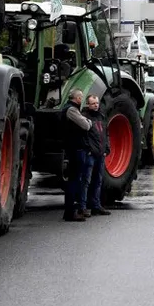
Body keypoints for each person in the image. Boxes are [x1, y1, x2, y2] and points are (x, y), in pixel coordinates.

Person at [61, 89, 93, 222]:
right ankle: (70, 212)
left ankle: (74, 209)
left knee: (75, 180)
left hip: (74, 148)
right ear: (78, 98)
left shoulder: (71, 109)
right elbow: (86, 125)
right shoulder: (71, 110)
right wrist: (89, 122)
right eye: (81, 97)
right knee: (74, 180)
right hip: (75, 149)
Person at [83, 94, 111, 217]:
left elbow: (105, 134)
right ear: (88, 104)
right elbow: (84, 136)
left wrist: (107, 148)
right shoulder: (84, 117)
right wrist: (89, 149)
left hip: (100, 153)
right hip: (90, 154)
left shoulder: (101, 117)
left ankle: (96, 205)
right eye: (93, 103)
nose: (96, 105)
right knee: (86, 181)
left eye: (97, 103)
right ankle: (83, 206)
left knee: (98, 181)